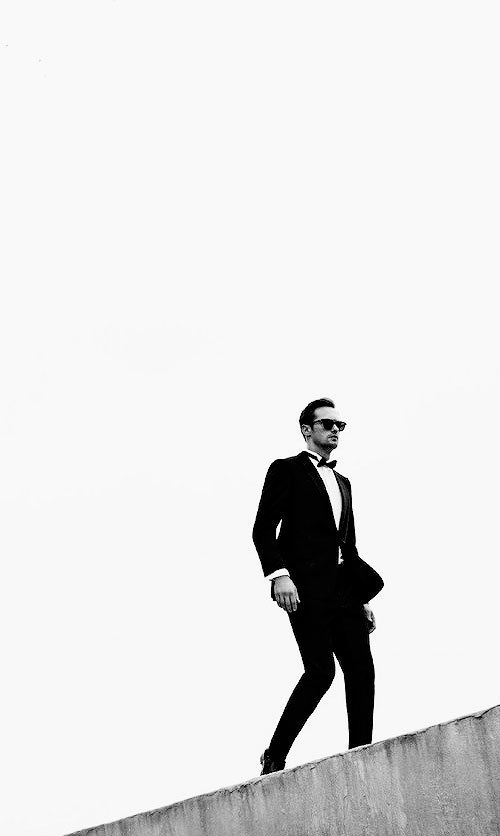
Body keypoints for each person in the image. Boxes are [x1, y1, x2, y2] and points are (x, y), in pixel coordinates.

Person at [252, 397, 377, 774]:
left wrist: (362, 597)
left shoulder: (343, 482)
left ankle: (361, 754)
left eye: (341, 425)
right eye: (327, 424)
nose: (335, 430)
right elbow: (262, 529)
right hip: (304, 588)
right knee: (321, 672)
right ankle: (275, 755)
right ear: (307, 429)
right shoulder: (286, 469)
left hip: (345, 590)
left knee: (362, 671)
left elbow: (348, 545)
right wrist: (279, 575)